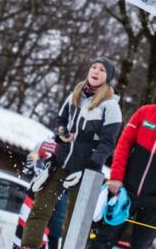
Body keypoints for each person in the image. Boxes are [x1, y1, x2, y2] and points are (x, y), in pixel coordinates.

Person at [21, 57, 122, 248]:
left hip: (86, 171)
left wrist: (90, 165)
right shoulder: (75, 95)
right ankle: (29, 246)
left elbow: (107, 144)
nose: (96, 71)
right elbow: (60, 122)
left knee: (75, 223)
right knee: (40, 209)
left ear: (108, 77)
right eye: (94, 67)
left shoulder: (111, 106)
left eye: (102, 70)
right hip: (60, 162)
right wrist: (62, 134)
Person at [89, 82, 156, 249]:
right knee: (103, 239)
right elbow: (124, 145)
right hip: (125, 191)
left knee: (141, 245)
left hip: (155, 199)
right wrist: (116, 177)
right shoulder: (145, 112)